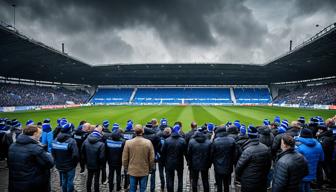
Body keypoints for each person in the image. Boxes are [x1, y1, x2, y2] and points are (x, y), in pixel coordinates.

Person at [8, 125, 54, 192]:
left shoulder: (13, 146)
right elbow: (50, 163)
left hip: (16, 182)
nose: (40, 136)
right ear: (35, 134)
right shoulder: (36, 148)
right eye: (40, 134)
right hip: (32, 184)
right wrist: (47, 154)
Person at [235, 126, 272, 192]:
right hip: (262, 180)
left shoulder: (247, 150)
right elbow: (269, 165)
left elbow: (239, 167)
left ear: (248, 135)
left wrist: (239, 178)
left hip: (249, 182)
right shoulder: (265, 148)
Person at [122, 124, 155, 192]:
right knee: (142, 189)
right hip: (144, 169)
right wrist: (150, 169)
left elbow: (124, 159)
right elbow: (152, 158)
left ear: (134, 131)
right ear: (142, 131)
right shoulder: (148, 142)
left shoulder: (128, 142)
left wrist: (126, 168)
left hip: (132, 170)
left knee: (132, 189)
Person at [52, 122, 78, 192]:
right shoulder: (72, 141)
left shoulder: (55, 140)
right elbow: (75, 155)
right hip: (70, 165)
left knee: (64, 180)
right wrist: (74, 164)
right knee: (70, 180)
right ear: (69, 130)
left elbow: (53, 153)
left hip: (60, 165)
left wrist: (57, 162)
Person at [161, 125, 187, 192]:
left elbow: (163, 152)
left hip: (169, 162)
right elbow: (186, 152)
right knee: (180, 178)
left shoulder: (167, 140)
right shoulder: (182, 140)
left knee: (170, 179)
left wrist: (164, 162)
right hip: (179, 162)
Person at [211, 126, 236, 192]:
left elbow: (212, 154)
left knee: (219, 185)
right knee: (226, 185)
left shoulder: (215, 141)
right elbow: (235, 154)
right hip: (228, 166)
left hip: (218, 166)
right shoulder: (232, 140)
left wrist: (214, 162)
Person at [82, 125, 106, 192]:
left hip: (89, 163)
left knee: (89, 178)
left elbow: (82, 153)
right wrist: (102, 165)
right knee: (96, 179)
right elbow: (102, 157)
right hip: (97, 165)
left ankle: (88, 190)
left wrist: (85, 161)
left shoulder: (85, 141)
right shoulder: (101, 144)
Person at [143, 124, 161, 192]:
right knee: (153, 174)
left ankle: (144, 188)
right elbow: (159, 145)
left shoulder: (143, 136)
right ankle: (152, 189)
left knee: (145, 174)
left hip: (144, 157)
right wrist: (156, 151)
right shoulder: (155, 136)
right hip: (153, 157)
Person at [158, 127, 171, 191]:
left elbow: (158, 148)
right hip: (167, 158)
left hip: (161, 158)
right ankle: (167, 184)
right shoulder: (170, 139)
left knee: (161, 172)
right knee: (167, 172)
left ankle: (162, 184)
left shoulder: (160, 138)